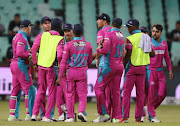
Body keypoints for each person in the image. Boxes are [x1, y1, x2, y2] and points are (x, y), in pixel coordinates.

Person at [14, 16, 52, 121]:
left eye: (49, 23)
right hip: (40, 67)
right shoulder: (36, 37)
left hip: (49, 67)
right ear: (41, 25)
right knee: (37, 90)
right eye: (45, 23)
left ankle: (14, 115)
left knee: (48, 91)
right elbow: (30, 51)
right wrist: (33, 61)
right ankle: (36, 114)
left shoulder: (54, 35)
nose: (48, 25)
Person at [119, 18, 154, 123]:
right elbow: (153, 54)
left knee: (126, 93)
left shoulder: (130, 38)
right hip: (143, 68)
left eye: (129, 27)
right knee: (140, 94)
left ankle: (125, 117)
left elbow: (128, 54)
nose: (128, 29)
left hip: (132, 68)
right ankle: (138, 118)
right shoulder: (146, 37)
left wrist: (123, 65)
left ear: (133, 27)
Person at [56, 24, 93, 122]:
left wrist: (60, 76)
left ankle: (70, 116)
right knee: (82, 94)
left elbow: (63, 62)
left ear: (73, 32)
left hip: (71, 72)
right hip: (82, 72)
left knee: (69, 95)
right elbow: (89, 61)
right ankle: (81, 111)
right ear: (82, 32)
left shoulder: (68, 45)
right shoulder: (88, 45)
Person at [31, 18, 63, 122]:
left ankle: (34, 115)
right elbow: (60, 55)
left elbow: (33, 49)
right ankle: (47, 116)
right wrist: (59, 65)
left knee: (40, 90)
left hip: (41, 66)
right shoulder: (59, 38)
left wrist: (35, 62)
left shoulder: (43, 35)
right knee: (51, 92)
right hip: (50, 67)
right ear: (60, 27)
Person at [94, 18, 125, 123]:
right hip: (119, 66)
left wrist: (98, 49)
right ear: (120, 26)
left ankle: (103, 114)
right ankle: (117, 117)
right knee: (115, 92)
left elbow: (105, 50)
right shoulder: (122, 36)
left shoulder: (109, 34)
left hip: (109, 66)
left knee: (98, 88)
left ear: (111, 24)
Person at [8, 20, 34, 121]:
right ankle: (28, 115)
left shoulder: (16, 36)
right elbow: (20, 52)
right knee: (28, 89)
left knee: (15, 90)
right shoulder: (22, 37)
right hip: (20, 65)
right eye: (30, 27)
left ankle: (12, 115)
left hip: (13, 64)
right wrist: (30, 55)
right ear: (28, 27)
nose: (30, 29)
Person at [147, 24, 173, 122]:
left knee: (162, 94)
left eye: (156, 31)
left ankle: (149, 109)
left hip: (160, 71)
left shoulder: (164, 44)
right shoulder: (148, 42)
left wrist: (170, 69)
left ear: (160, 33)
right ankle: (152, 116)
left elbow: (166, 57)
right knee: (151, 95)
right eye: (153, 31)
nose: (154, 33)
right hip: (151, 70)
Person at [93, 13, 112, 123]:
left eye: (98, 20)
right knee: (110, 92)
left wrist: (96, 58)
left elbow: (101, 47)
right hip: (114, 65)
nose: (97, 22)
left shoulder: (101, 32)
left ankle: (103, 114)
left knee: (99, 90)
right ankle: (111, 115)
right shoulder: (114, 31)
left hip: (104, 65)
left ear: (104, 21)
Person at [56, 24, 74, 121]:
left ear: (72, 31)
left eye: (69, 31)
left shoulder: (78, 39)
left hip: (74, 70)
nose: (67, 33)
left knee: (74, 93)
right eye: (65, 31)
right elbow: (59, 56)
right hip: (63, 69)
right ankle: (61, 114)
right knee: (60, 93)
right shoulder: (61, 41)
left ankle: (68, 109)